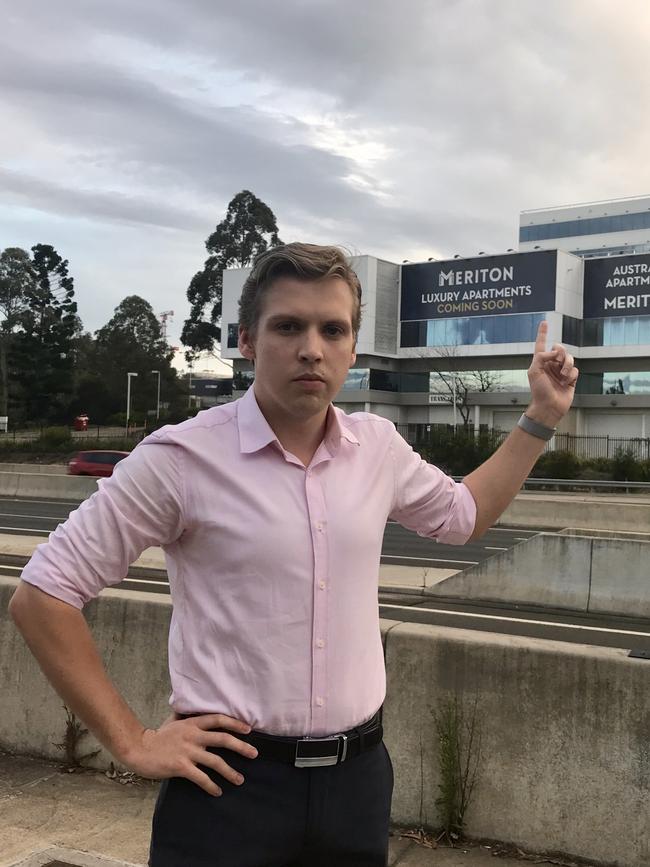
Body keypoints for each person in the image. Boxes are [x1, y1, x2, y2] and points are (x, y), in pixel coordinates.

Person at [9, 243, 578, 866]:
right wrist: (134, 741)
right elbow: (43, 595)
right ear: (248, 340)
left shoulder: (378, 447)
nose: (313, 347)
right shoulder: (180, 459)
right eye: (289, 326)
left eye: (333, 329)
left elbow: (464, 516)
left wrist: (541, 417)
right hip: (229, 791)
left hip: (358, 783)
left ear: (352, 348)